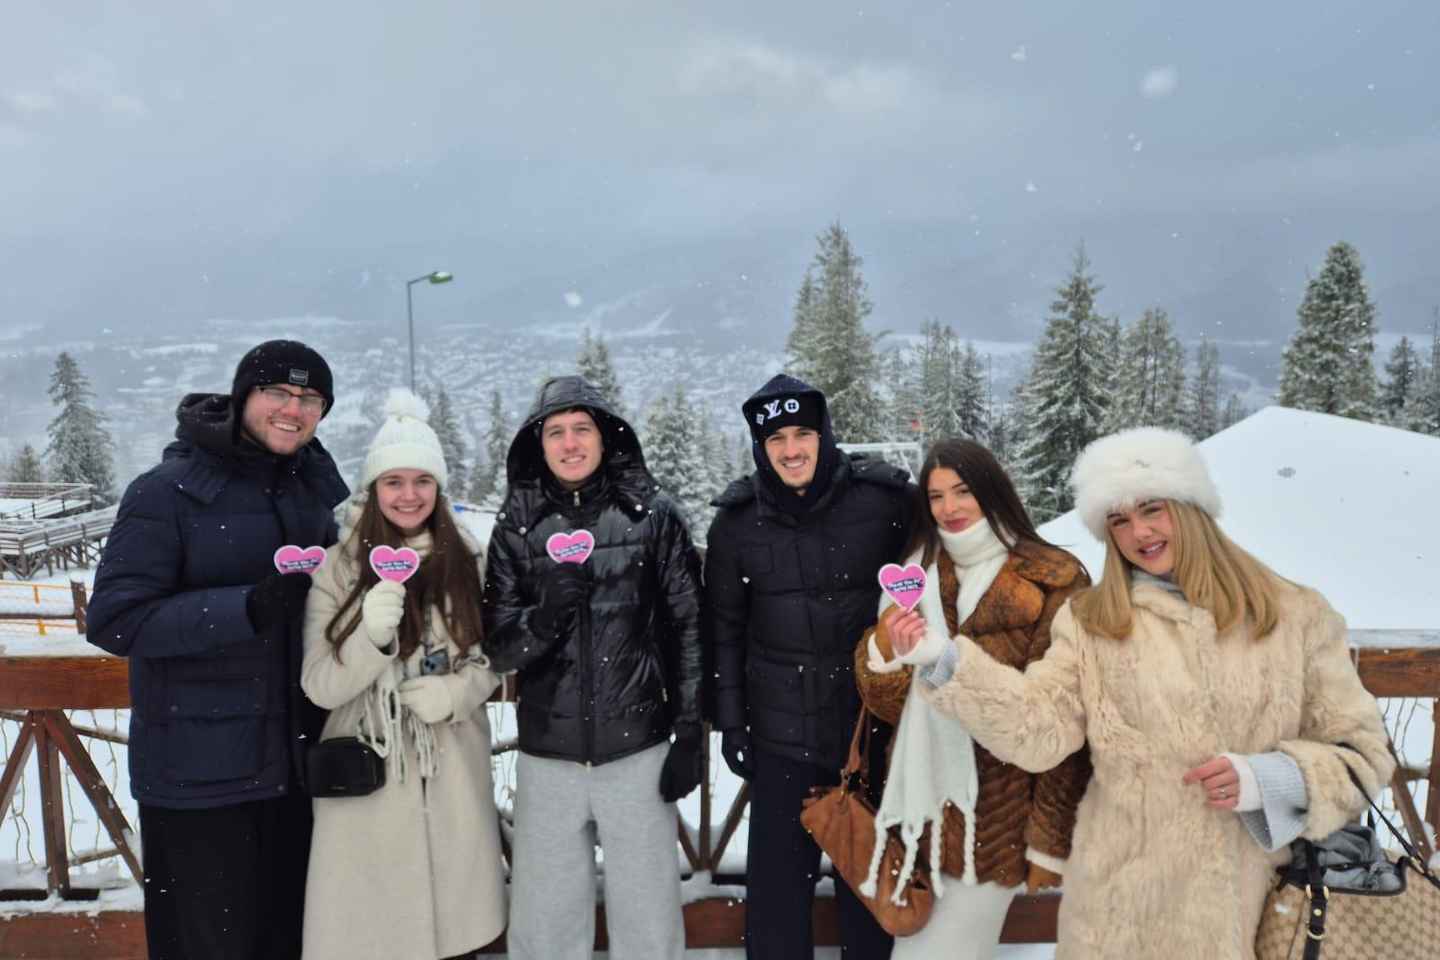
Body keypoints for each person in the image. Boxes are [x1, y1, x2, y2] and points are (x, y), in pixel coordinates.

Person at [884, 426, 1395, 958]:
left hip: (1254, 913)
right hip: (1118, 915)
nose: (1139, 532)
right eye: (1119, 520)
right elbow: (1038, 729)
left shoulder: (1294, 616)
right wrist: (944, 662)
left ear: (1192, 508)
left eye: (1152, 509)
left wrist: (1272, 781)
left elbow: (1363, 755)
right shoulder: (1093, 621)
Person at [87, 340, 348, 960]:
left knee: (291, 943)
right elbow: (116, 620)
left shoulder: (311, 491)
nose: (293, 409)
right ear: (242, 397)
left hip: (295, 773)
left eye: (310, 398)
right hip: (199, 782)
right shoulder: (165, 493)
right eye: (277, 392)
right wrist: (246, 608)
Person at [482, 375, 703, 960]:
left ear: (606, 438)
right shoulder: (516, 529)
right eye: (556, 432)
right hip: (547, 754)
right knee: (545, 921)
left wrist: (689, 729)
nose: (570, 443)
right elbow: (499, 649)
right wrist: (543, 618)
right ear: (539, 445)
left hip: (638, 749)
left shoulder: (653, 518)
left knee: (649, 917)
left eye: (582, 429)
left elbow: (688, 627)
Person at [854, 439, 1092, 960]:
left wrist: (1048, 840)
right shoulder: (917, 573)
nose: (950, 508)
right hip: (919, 813)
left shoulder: (1052, 577)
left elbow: (1066, 720)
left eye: (962, 491)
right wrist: (885, 653)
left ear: (991, 490)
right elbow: (889, 707)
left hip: (999, 822)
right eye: (936, 496)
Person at [705, 373, 912, 960]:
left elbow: (931, 586)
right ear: (760, 447)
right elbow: (724, 631)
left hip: (868, 738)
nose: (791, 450)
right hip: (779, 744)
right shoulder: (737, 524)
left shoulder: (884, 503)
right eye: (776, 439)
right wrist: (732, 725)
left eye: (802, 434)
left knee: (869, 900)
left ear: (824, 435)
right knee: (776, 907)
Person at [299, 390, 505, 960]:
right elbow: (319, 684)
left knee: (456, 929)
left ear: (438, 488)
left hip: (451, 769)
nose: (408, 495)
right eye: (393, 481)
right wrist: (371, 640)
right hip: (367, 776)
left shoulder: (468, 561)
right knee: (374, 934)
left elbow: (493, 659)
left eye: (422, 481)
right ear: (373, 489)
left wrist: (456, 692)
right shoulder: (337, 569)